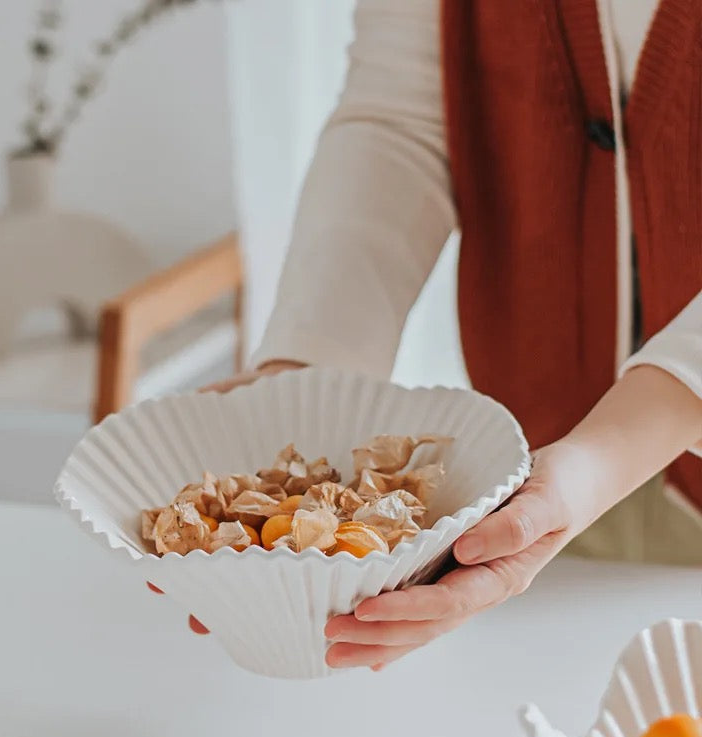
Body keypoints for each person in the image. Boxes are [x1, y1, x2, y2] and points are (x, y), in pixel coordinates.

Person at [193, 0, 702, 671]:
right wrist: (312, 369)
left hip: (574, 481)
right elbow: (402, 120)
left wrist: (598, 462)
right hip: (538, 470)